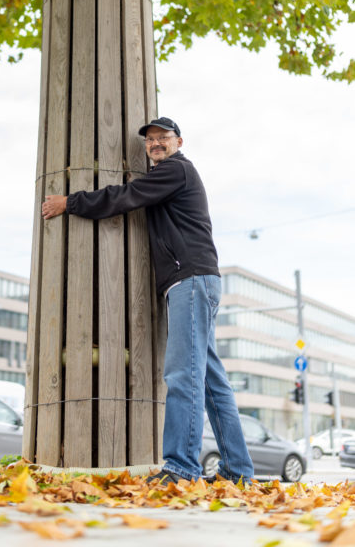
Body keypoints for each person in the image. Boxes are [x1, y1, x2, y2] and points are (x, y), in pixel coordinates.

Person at [42, 116, 254, 486]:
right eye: (150, 140)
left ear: (179, 141)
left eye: (163, 138)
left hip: (191, 281)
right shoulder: (173, 173)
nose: (155, 144)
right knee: (212, 381)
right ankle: (238, 471)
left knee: (183, 376)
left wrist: (71, 202)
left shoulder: (176, 171)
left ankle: (182, 469)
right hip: (197, 281)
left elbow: (125, 196)